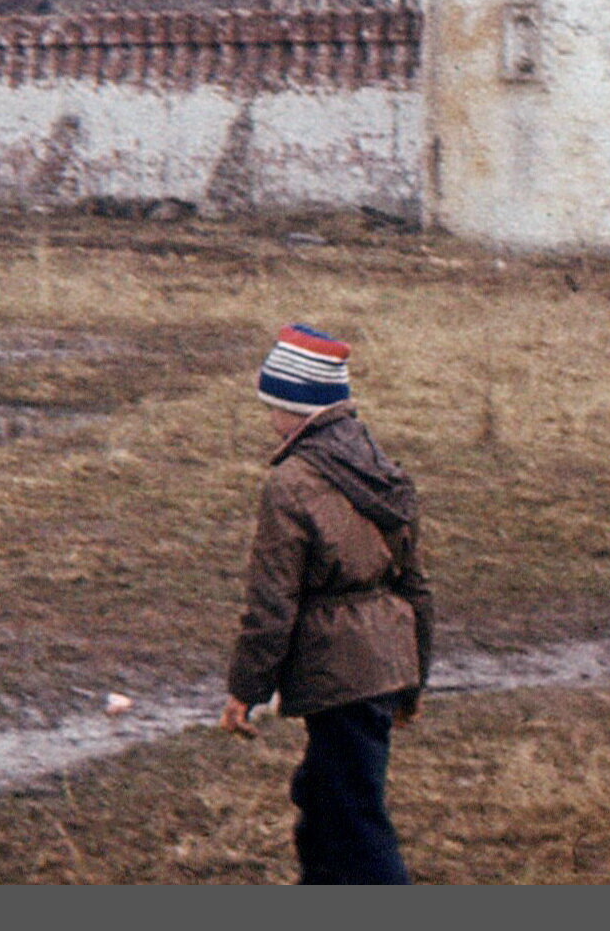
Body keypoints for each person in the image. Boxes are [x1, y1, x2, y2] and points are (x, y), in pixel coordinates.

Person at [218, 322, 432, 885]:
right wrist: (412, 681)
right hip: (384, 665)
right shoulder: (381, 467)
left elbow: (271, 603)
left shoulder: (290, 484)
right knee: (321, 804)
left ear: (301, 408)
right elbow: (416, 586)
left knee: (355, 824)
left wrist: (245, 690)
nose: (270, 419)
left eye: (274, 405)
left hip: (340, 673)